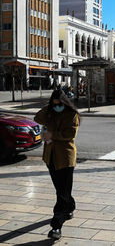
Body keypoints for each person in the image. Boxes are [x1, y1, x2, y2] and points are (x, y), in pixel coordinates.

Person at [34, 89, 81, 240]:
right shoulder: (50, 113)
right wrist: (48, 107)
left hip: (65, 157)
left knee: (61, 193)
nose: (57, 107)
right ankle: (70, 206)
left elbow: (70, 134)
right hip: (51, 157)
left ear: (64, 102)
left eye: (59, 104)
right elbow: (37, 118)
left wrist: (52, 135)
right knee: (61, 189)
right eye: (54, 104)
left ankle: (56, 226)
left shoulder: (72, 115)